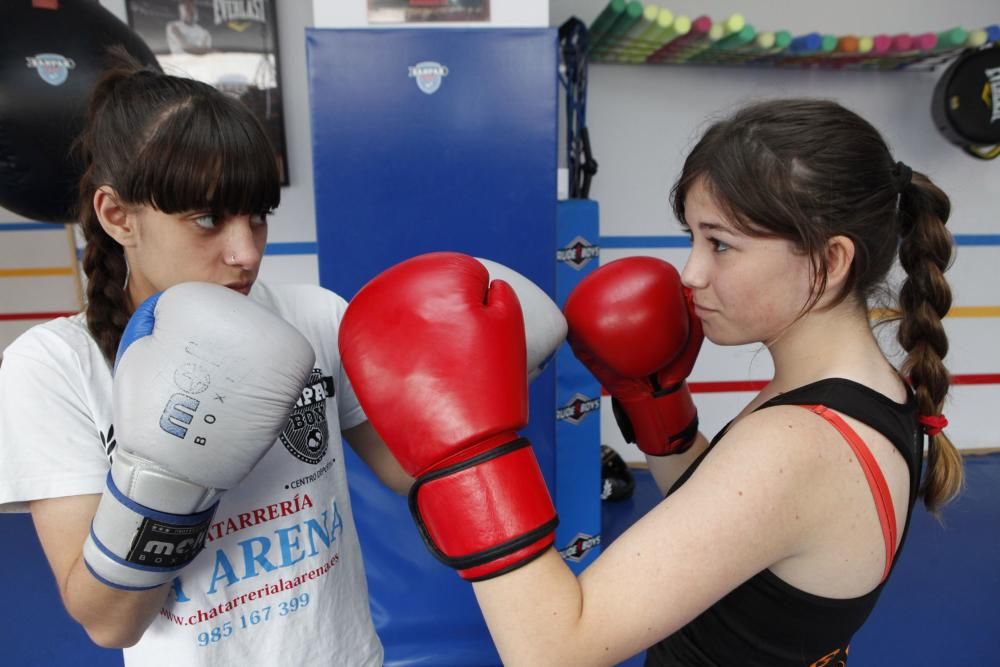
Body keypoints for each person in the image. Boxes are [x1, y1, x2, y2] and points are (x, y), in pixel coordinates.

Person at [338, 98, 964, 666]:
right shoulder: (869, 393)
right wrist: (655, 400)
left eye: (719, 245)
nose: (689, 272)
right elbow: (732, 525)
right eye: (691, 237)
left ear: (829, 262)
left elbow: (553, 650)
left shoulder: (798, 445)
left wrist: (471, 456)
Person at [0, 52, 412, 666]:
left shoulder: (315, 317)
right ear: (118, 217)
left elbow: (410, 473)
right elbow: (111, 625)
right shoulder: (54, 367)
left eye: (257, 218)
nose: (245, 252)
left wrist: (461, 395)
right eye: (208, 219)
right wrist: (166, 485)